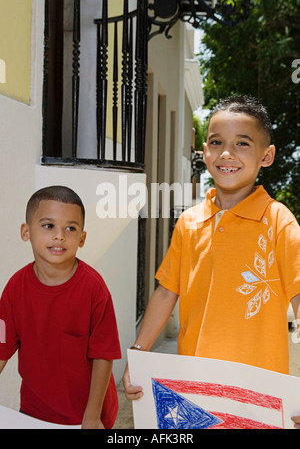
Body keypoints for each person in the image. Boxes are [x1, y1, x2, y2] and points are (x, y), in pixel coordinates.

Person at [123, 95, 300, 427]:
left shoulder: (279, 221)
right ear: (205, 151)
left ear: (267, 155)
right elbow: (166, 292)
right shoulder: (189, 222)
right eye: (217, 142)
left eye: (242, 143)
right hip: (195, 388)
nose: (227, 153)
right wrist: (139, 352)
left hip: (260, 393)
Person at [0, 186, 121, 429]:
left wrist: (92, 416)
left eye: (70, 228)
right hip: (34, 412)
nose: (59, 236)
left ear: (82, 238)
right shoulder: (15, 289)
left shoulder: (94, 289)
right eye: (48, 226)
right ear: (26, 232)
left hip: (87, 416)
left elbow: (103, 356)